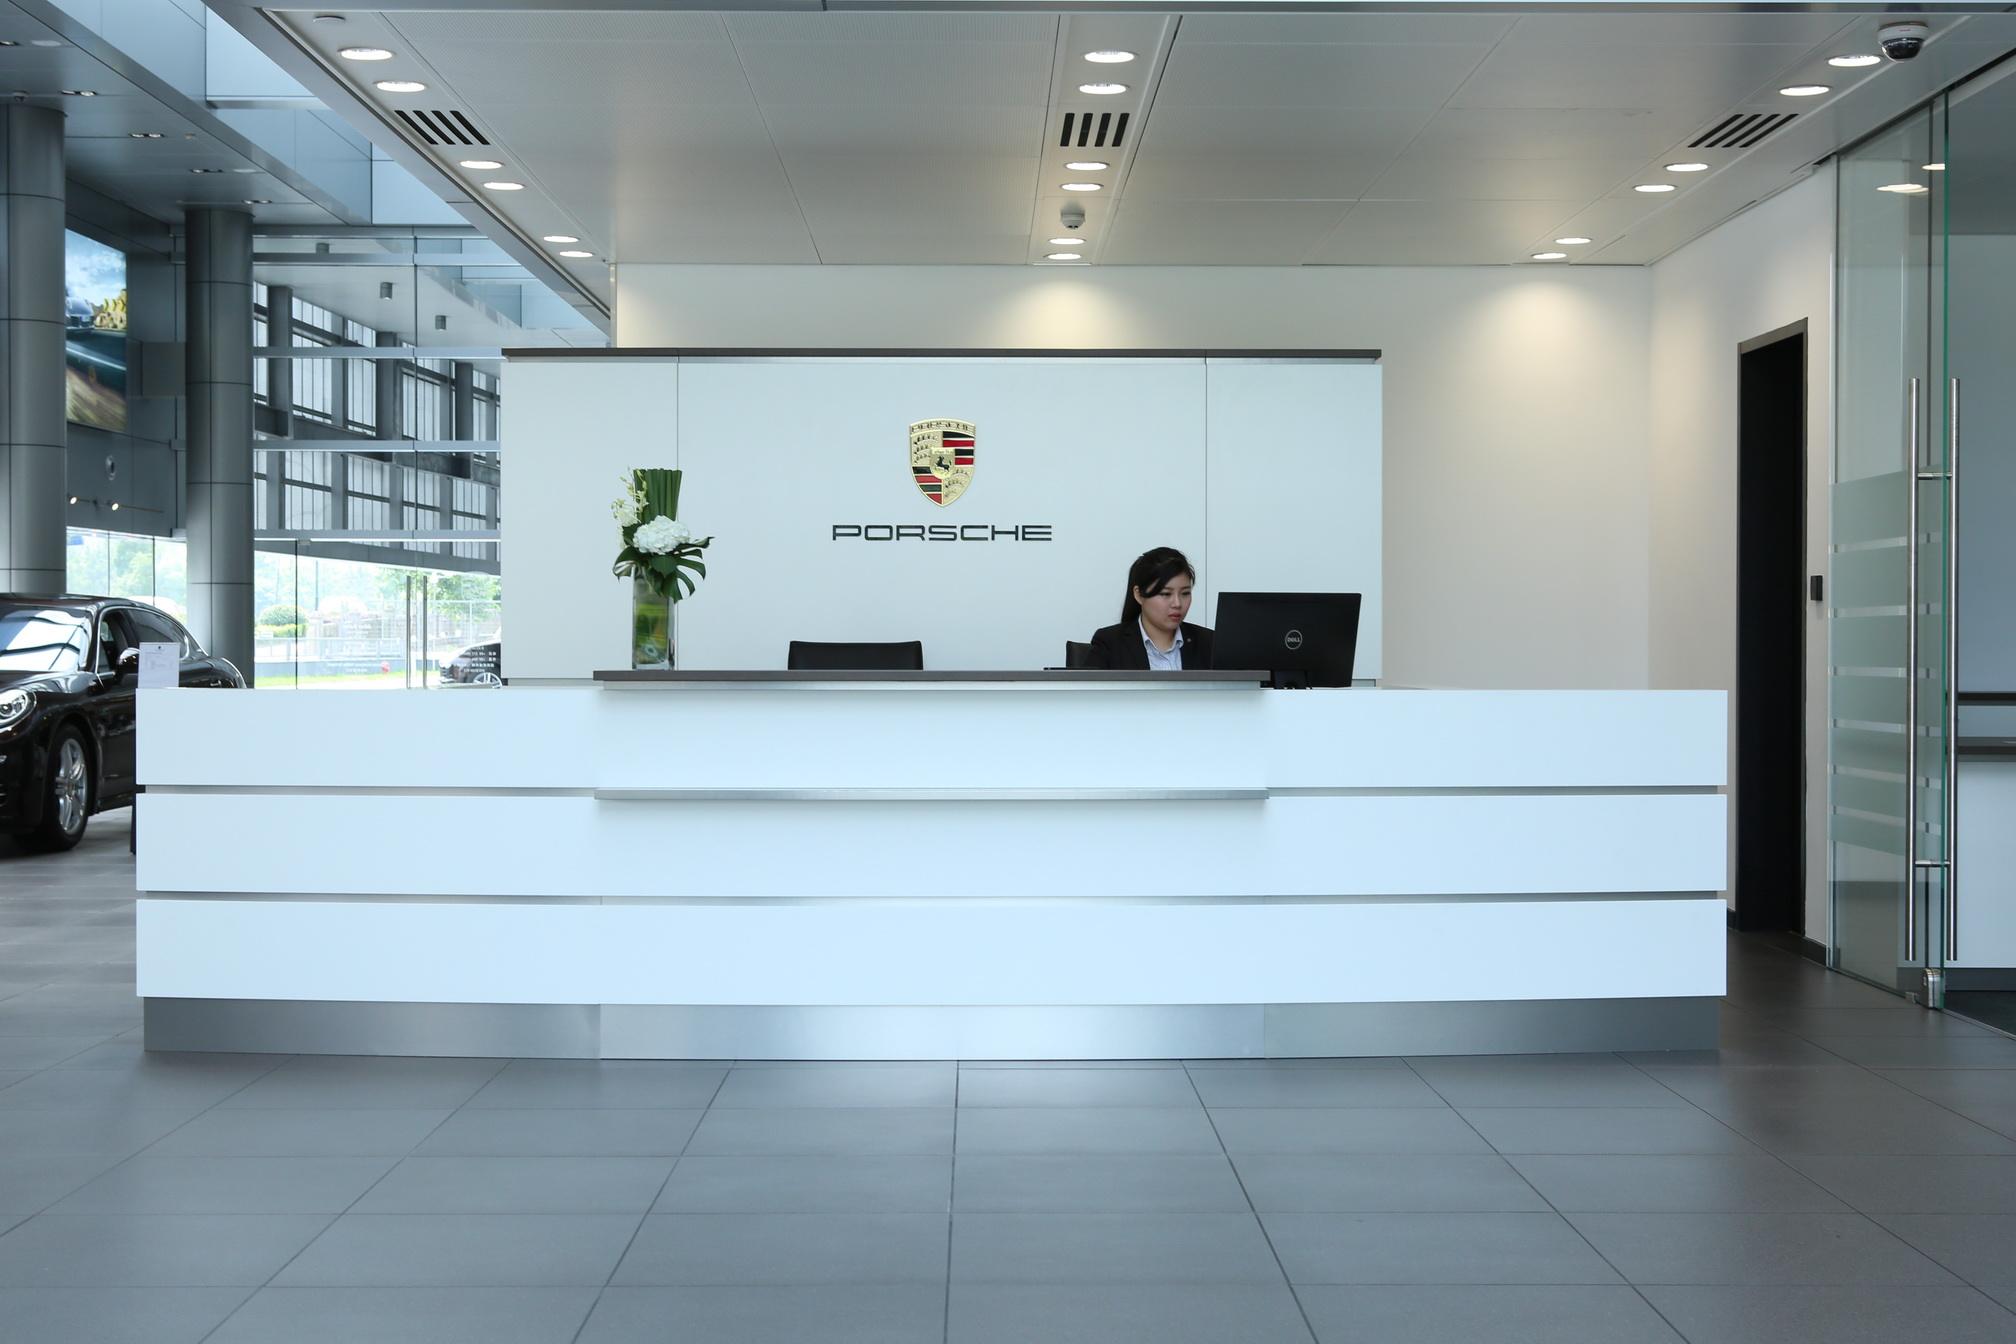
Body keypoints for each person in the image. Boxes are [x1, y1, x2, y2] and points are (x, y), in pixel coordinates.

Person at [1084, 546, 1214, 670]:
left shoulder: (1210, 643)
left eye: (1185, 593)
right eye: (1165, 594)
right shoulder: (1109, 644)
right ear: (1139, 594)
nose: (1177, 603)